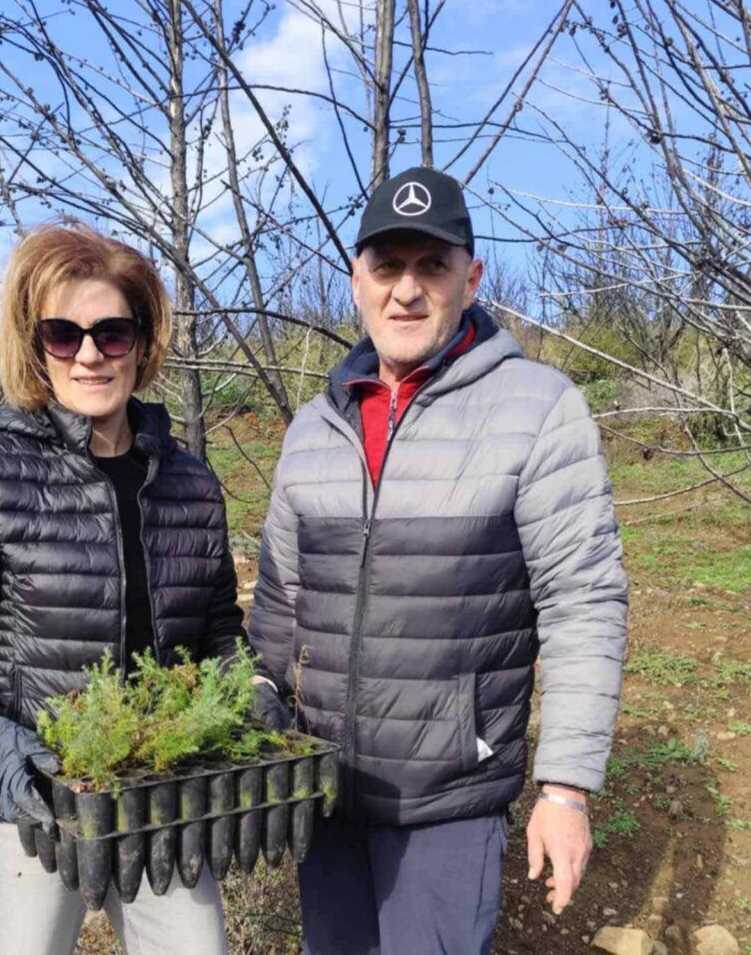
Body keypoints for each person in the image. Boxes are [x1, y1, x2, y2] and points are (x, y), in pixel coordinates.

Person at [248, 166, 629, 955]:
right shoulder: (315, 426)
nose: (407, 290)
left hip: (448, 796)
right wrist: (257, 704)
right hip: (322, 787)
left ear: (471, 277)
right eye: (388, 266)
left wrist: (565, 787)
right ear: (357, 279)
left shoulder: (537, 408)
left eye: (433, 266)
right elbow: (282, 599)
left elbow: (582, 602)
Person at [0, 222, 240, 955]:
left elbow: (218, 631)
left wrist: (250, 687)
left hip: (159, 794)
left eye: (112, 332)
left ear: (142, 341)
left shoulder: (190, 484)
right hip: (23, 803)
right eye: (62, 333)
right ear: (34, 344)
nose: (89, 354)